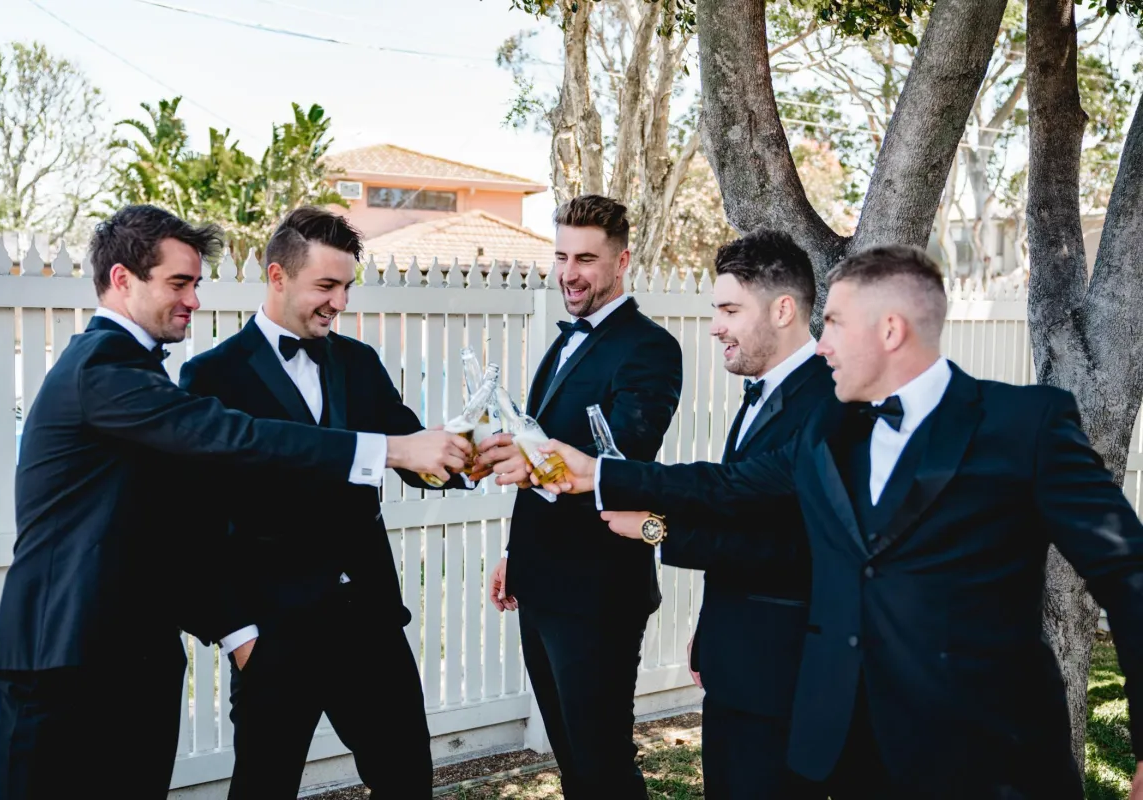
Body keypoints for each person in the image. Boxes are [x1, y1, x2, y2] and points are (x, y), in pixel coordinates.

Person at [538, 244, 1143, 800]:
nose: (821, 344)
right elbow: (728, 486)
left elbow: (1127, 573)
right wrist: (600, 473)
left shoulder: (1025, 423)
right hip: (852, 754)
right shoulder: (828, 433)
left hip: (991, 759)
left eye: (833, 325)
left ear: (890, 330)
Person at [0, 205, 469, 800]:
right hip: (80, 652)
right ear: (122, 279)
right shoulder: (108, 368)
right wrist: (238, 631)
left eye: (195, 283)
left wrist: (462, 456)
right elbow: (229, 452)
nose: (193, 299)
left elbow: (155, 518)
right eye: (179, 283)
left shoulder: (140, 370)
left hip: (167, 649)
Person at [179, 207, 481, 799]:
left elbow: (409, 450)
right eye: (326, 286)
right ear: (277, 276)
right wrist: (239, 636)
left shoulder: (359, 363)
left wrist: (466, 456)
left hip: (370, 620)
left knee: (407, 782)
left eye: (346, 287)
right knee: (264, 788)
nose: (339, 302)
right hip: (273, 632)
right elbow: (194, 523)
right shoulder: (211, 377)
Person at [603, 230, 830, 799]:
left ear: (783, 310)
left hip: (785, 673)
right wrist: (711, 631)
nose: (715, 327)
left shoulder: (824, 400)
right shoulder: (764, 392)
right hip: (736, 662)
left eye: (730, 310)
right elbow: (738, 514)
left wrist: (653, 529)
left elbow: (794, 545)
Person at [476, 194, 682, 798]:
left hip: (599, 590)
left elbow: (621, 458)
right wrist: (515, 552)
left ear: (622, 261)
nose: (569, 272)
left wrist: (533, 462)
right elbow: (538, 447)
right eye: (563, 256)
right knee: (572, 760)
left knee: (602, 762)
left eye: (586, 259)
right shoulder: (564, 342)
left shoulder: (649, 348)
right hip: (541, 581)